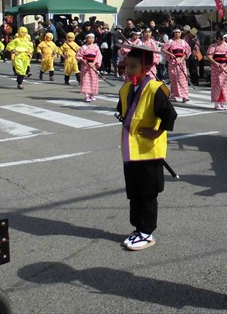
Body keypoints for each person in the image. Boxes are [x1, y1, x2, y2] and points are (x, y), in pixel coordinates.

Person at [116, 46, 178, 251]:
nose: (129, 70)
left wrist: (157, 132)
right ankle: (138, 228)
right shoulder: (126, 88)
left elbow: (170, 115)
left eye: (134, 67)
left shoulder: (155, 88)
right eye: (127, 66)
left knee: (148, 192)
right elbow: (122, 111)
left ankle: (147, 231)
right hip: (131, 150)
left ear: (148, 66)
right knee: (134, 192)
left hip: (150, 151)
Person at [207, 32, 227, 110]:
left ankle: (223, 103)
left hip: (224, 67)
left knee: (224, 85)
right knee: (216, 85)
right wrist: (215, 63)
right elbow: (209, 56)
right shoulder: (213, 46)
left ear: (224, 39)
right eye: (218, 39)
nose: (219, 41)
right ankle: (217, 103)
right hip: (215, 68)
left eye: (221, 39)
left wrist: (226, 66)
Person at [162, 28, 191, 102]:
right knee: (173, 79)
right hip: (173, 62)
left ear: (181, 33)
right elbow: (164, 49)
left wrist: (181, 59)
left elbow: (187, 51)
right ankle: (174, 95)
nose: (177, 34)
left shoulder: (184, 42)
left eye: (178, 32)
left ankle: (185, 96)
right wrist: (170, 54)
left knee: (183, 79)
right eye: (175, 32)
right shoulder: (170, 41)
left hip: (181, 62)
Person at [77, 33, 102, 102]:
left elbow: (98, 56)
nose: (91, 39)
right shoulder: (83, 47)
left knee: (93, 80)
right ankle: (86, 95)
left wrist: (94, 63)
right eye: (89, 38)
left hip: (93, 66)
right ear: (86, 39)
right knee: (85, 80)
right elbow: (78, 56)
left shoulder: (96, 47)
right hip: (85, 67)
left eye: (92, 38)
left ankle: (92, 94)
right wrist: (83, 60)